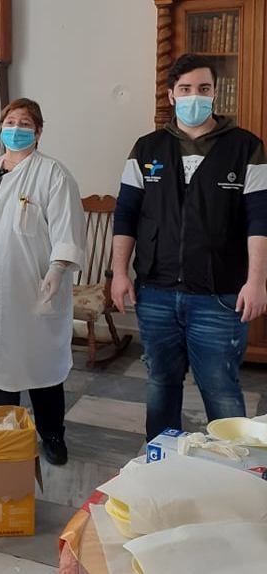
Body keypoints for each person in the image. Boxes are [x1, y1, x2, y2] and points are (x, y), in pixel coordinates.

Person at [111, 53, 267, 442]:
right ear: (171, 95)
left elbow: (259, 221)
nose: (194, 96)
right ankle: (160, 461)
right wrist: (119, 273)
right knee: (161, 385)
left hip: (220, 297)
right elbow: (126, 214)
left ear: (215, 94)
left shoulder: (246, 148)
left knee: (221, 390)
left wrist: (257, 282)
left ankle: (234, 468)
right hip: (156, 293)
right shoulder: (147, 149)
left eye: (203, 88)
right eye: (185, 89)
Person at [0, 98, 85, 465]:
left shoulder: (53, 175)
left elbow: (67, 229)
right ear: (0, 129)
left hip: (34, 290)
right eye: (10, 122)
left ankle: (52, 434)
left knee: (41, 366)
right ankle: (3, 437)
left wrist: (58, 268)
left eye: (25, 123)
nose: (16, 129)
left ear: (38, 132)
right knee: (0, 372)